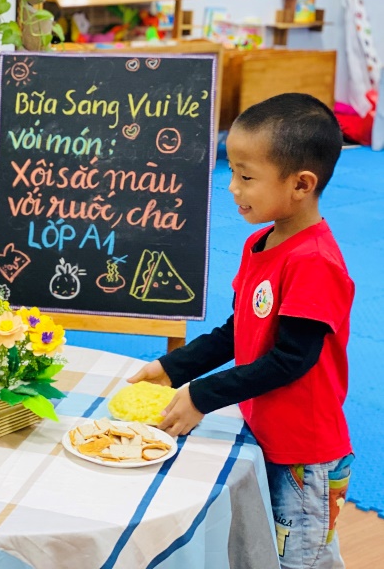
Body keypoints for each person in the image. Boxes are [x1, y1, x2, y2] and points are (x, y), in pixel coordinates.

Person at [129, 93, 354, 569]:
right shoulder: (260, 242)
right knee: (260, 549)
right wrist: (172, 368)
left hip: (303, 455)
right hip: (264, 431)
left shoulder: (315, 262)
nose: (232, 187)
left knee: (301, 561)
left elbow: (291, 360)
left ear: (301, 184)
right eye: (232, 171)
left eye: (246, 177)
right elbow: (240, 330)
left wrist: (201, 396)